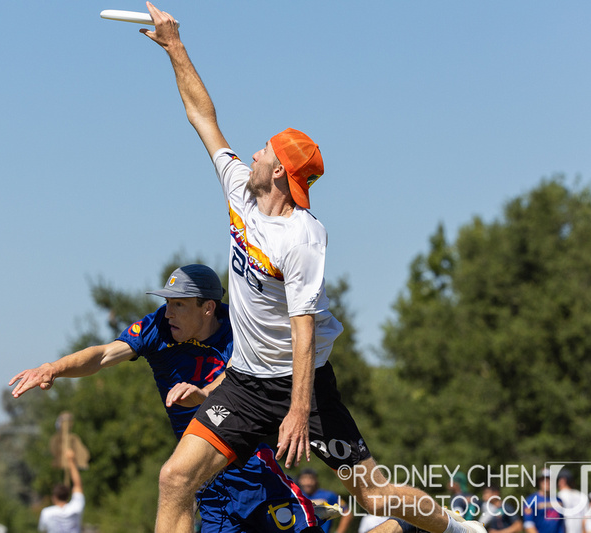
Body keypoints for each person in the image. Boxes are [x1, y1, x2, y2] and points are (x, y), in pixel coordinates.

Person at [136, 4, 488, 533]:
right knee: (176, 479)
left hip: (304, 386)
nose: (251, 152)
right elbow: (203, 118)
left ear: (278, 170)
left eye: (264, 150)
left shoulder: (301, 237)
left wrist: (299, 411)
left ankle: (462, 530)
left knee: (371, 494)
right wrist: (175, 48)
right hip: (246, 385)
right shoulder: (240, 192)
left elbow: (303, 330)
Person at [10, 264, 334, 532]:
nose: (168, 313)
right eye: (167, 303)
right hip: (204, 483)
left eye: (179, 304)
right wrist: (53, 368)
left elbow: (233, 379)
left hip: (249, 468)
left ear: (207, 308)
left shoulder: (240, 329)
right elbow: (103, 354)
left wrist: (203, 394)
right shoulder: (157, 329)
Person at [38, 448, 85, 533]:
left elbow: (43, 530)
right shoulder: (76, 508)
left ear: (54, 497)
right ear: (68, 495)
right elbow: (77, 485)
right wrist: (71, 460)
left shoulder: (46, 513)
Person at [297, 469, 353, 533]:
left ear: (316, 480)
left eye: (311, 479)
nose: (308, 482)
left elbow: (347, 513)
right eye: (304, 479)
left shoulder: (329, 496)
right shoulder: (296, 497)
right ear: (299, 480)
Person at [523, 468, 565, 533]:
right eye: (544, 480)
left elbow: (562, 523)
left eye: (550, 480)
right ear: (539, 482)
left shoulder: (559, 500)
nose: (547, 482)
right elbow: (528, 524)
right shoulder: (531, 500)